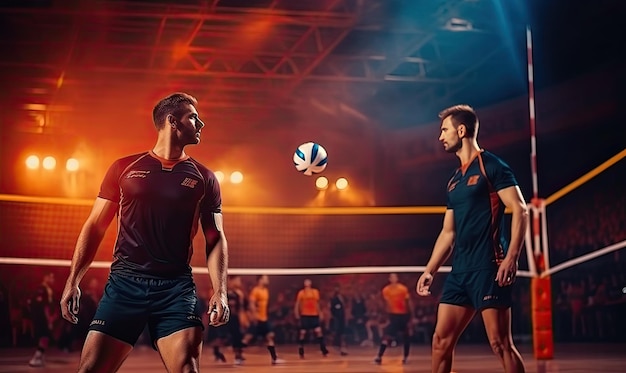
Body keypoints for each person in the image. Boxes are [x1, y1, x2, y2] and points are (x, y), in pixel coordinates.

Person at [59, 92, 230, 373]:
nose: (202, 124)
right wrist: (72, 281)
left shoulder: (205, 178)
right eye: (194, 118)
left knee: (187, 369)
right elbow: (94, 226)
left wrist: (220, 291)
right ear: (172, 121)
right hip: (125, 284)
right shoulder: (124, 168)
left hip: (175, 289)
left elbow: (215, 239)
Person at [416, 104, 528, 373]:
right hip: (460, 272)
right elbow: (448, 232)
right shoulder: (454, 180)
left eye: (444, 130)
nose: (440, 136)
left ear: (461, 130)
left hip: (489, 267)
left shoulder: (492, 165)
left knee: (500, 344)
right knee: (440, 342)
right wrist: (430, 269)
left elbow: (520, 209)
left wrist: (511, 257)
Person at [241, 275, 284, 365]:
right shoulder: (255, 291)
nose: (267, 280)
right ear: (260, 280)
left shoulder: (265, 291)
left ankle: (274, 358)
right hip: (257, 319)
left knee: (270, 336)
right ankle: (238, 356)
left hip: (264, 319)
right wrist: (254, 316)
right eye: (265, 278)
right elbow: (251, 304)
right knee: (247, 339)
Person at [375, 273, 413, 365]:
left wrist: (411, 316)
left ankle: (405, 357)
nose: (394, 279)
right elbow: (387, 304)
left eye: (395, 277)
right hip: (393, 315)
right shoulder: (386, 290)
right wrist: (387, 316)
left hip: (403, 315)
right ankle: (379, 356)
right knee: (387, 336)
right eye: (392, 277)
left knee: (406, 337)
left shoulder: (403, 289)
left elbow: (408, 302)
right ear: (389, 279)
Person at [210, 275, 247, 365]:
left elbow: (241, 308)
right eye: (237, 280)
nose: (239, 282)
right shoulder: (222, 292)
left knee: (237, 336)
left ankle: (238, 356)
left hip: (234, 318)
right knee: (223, 338)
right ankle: (217, 352)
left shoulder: (239, 294)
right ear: (230, 280)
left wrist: (243, 319)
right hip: (224, 318)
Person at [294, 278, 329, 359]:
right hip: (305, 315)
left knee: (318, 331)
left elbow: (317, 303)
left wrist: (320, 313)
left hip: (314, 315)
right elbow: (298, 303)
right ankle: (301, 350)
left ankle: (323, 350)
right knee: (303, 332)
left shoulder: (315, 292)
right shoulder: (301, 293)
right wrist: (296, 312)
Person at [28, 272, 57, 367]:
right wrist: (48, 318)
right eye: (51, 277)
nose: (52, 280)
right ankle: (37, 357)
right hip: (42, 317)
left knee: (45, 336)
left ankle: (41, 356)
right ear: (45, 277)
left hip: (47, 316)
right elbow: (43, 305)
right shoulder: (41, 289)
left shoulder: (49, 289)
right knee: (43, 336)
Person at [329, 284, 349, 356]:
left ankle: (342, 345)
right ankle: (337, 345)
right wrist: (335, 315)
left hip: (342, 316)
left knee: (342, 331)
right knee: (337, 331)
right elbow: (332, 308)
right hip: (337, 317)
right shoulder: (334, 299)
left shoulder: (343, 297)